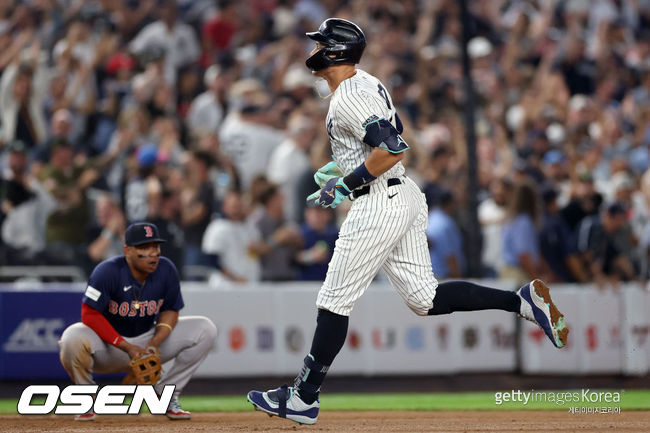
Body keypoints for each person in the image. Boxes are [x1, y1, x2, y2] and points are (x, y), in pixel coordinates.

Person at [246, 18, 569, 426]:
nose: (312, 50)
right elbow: (378, 144)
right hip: (402, 195)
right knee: (425, 299)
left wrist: (345, 183)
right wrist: (340, 168)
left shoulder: (347, 95)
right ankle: (520, 301)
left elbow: (393, 147)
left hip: (379, 202)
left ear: (334, 52)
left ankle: (303, 396)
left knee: (333, 300)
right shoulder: (366, 83)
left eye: (319, 44)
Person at [58, 222, 217, 421]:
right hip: (108, 345)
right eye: (144, 247)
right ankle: (86, 399)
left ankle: (166, 395)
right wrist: (126, 347)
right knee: (71, 338)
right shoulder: (107, 271)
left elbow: (170, 310)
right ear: (127, 251)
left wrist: (154, 344)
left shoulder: (166, 269)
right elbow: (89, 314)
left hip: (146, 341)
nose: (153, 253)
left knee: (205, 329)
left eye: (156, 246)